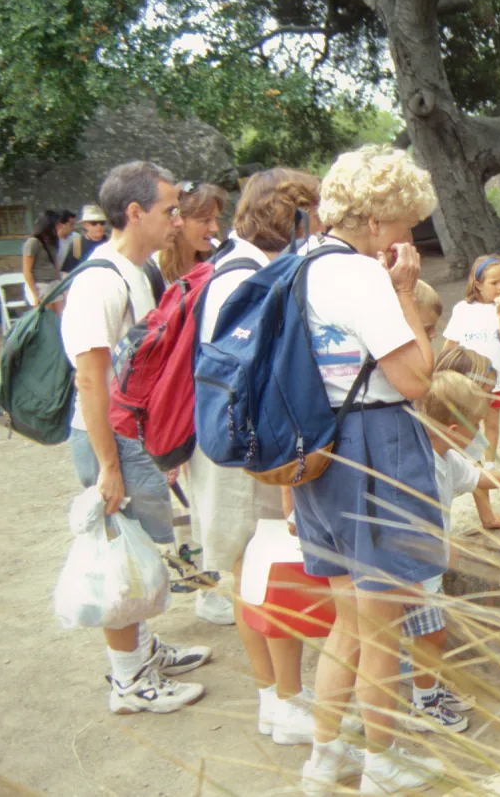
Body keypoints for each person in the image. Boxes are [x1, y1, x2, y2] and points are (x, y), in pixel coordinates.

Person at [290, 146, 444, 797]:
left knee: (347, 622)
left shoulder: (300, 265)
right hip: (375, 447)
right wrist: (406, 291)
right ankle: (380, 767)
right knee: (383, 625)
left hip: (318, 451)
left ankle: (323, 763)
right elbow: (417, 379)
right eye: (405, 221)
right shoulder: (360, 277)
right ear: (377, 218)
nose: (410, 235)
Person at [61, 161, 212, 714]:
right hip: (112, 441)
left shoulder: (138, 272)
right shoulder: (99, 281)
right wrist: (109, 465)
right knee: (120, 557)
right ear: (135, 212)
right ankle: (129, 679)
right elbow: (90, 378)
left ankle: (145, 651)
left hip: (131, 440)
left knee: (142, 546)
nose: (177, 220)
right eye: (170, 209)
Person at [181, 167, 321, 743]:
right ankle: (284, 699)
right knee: (267, 568)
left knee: (251, 570)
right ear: (292, 217)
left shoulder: (229, 268)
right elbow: (258, 376)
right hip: (248, 444)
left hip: (224, 439)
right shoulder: (253, 277)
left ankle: (277, 696)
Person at [407, 372, 500, 730]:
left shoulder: (446, 457)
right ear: (453, 428)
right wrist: (445, 549)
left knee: (430, 634)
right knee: (431, 635)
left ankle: (428, 687)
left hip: (430, 568)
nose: (480, 431)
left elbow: (477, 479)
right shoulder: (420, 465)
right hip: (416, 569)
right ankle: (423, 704)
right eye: (476, 424)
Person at [442, 255, 500, 529]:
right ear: (477, 284)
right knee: (471, 436)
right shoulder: (463, 310)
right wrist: (441, 376)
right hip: (469, 386)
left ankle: (488, 466)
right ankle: (478, 476)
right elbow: (449, 346)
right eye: (493, 282)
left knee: (491, 428)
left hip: (495, 381)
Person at [146, 180, 226, 301]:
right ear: (179, 220)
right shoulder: (153, 272)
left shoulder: (219, 254)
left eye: (216, 219)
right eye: (205, 220)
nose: (215, 228)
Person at [22, 210, 68, 309]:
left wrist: (60, 284)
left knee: (59, 318)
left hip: (54, 283)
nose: (61, 226)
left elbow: (55, 265)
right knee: (48, 318)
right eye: (58, 223)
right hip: (41, 285)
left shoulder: (53, 242)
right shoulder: (32, 242)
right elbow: (27, 271)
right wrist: (35, 295)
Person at [62, 204, 109, 273]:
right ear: (85, 225)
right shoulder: (77, 244)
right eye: (94, 223)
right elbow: (67, 272)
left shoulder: (112, 242)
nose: (99, 226)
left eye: (102, 223)